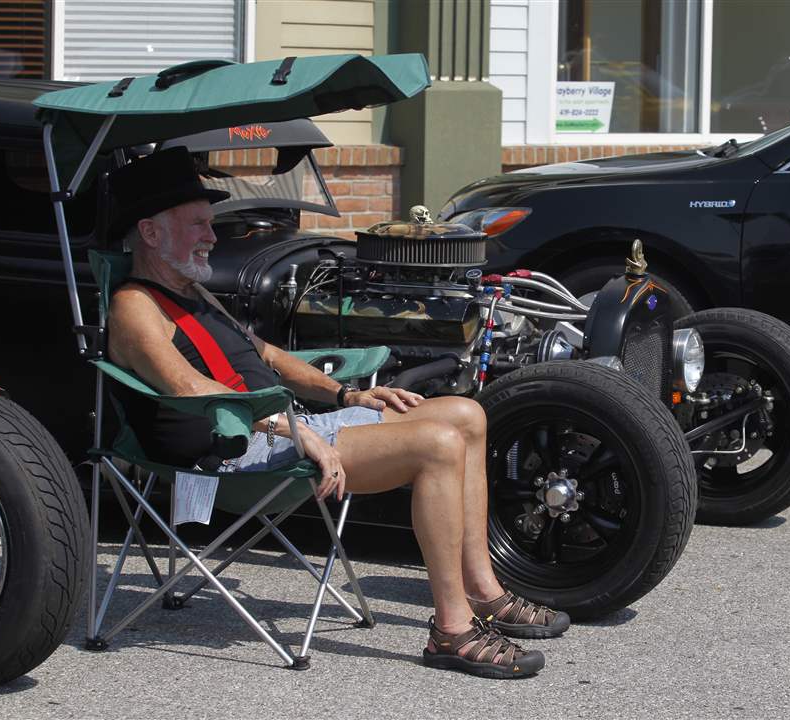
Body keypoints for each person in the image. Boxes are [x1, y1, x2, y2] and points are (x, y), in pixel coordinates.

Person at [104, 147, 569, 678]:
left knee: (466, 414)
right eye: (199, 225)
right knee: (437, 445)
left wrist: (346, 396)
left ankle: (484, 591)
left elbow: (271, 357)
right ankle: (451, 630)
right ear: (150, 232)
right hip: (235, 450)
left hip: (281, 425)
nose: (213, 235)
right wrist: (292, 430)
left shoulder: (193, 295)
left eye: (211, 224)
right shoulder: (134, 306)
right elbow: (190, 388)